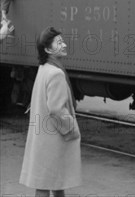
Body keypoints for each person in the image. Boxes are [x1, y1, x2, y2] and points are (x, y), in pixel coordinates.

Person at [20, 27, 82, 197]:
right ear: (47, 49)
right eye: (59, 42)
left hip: (43, 137)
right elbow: (56, 109)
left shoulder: (44, 68)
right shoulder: (56, 73)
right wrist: (72, 130)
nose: (64, 44)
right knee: (48, 183)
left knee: (52, 182)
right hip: (54, 138)